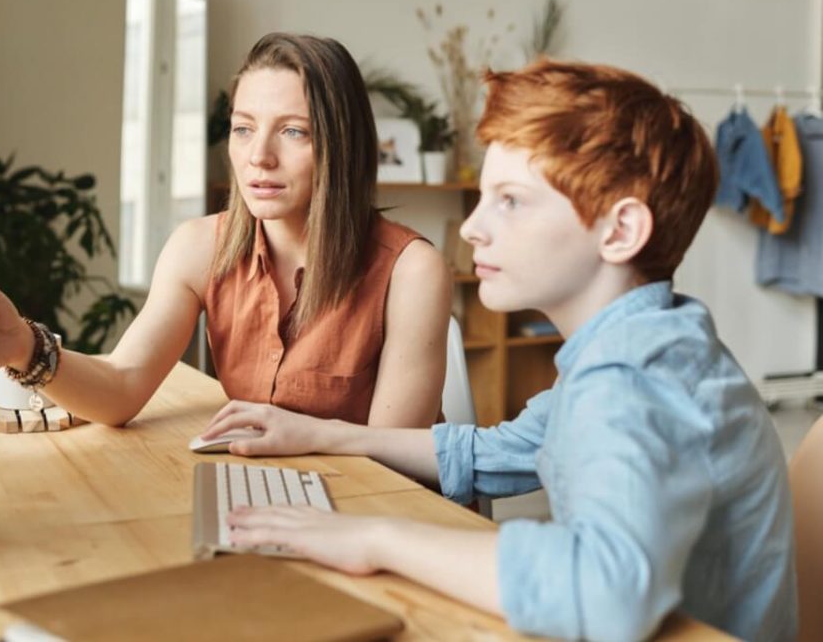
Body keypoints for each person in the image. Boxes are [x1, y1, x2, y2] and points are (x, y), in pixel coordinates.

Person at [202, 60, 797, 642]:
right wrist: (321, 433)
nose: (471, 228)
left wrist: (374, 539)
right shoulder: (649, 342)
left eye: (510, 200)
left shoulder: (632, 378)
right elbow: (496, 451)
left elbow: (604, 593)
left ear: (620, 232)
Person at [0, 32, 451, 428]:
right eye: (244, 128)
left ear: (343, 146)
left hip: (377, 518)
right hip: (271, 500)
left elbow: (393, 462)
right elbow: (121, 387)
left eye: (293, 131)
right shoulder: (200, 247)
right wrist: (23, 345)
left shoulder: (412, 271)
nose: (258, 157)